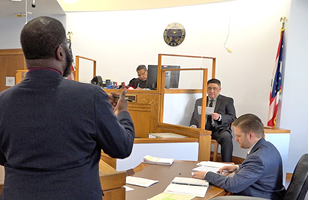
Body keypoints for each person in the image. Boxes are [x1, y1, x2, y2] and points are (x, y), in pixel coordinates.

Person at [0, 16, 135, 200]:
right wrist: (123, 113)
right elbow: (122, 147)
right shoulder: (91, 97)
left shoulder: (2, 101)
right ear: (60, 52)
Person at [192, 113, 286, 199]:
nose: (236, 139)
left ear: (250, 135)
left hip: (261, 196)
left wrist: (206, 175)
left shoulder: (257, 158)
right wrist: (237, 167)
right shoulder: (267, 146)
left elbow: (233, 185)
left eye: (238, 136)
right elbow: (258, 169)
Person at [190, 78, 236, 162]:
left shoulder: (227, 101)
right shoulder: (199, 101)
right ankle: (194, 161)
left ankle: (227, 164)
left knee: (227, 137)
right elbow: (194, 116)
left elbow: (233, 117)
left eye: (214, 88)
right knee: (190, 135)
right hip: (203, 129)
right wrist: (193, 126)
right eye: (209, 88)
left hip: (219, 129)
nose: (211, 91)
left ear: (219, 89)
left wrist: (220, 117)